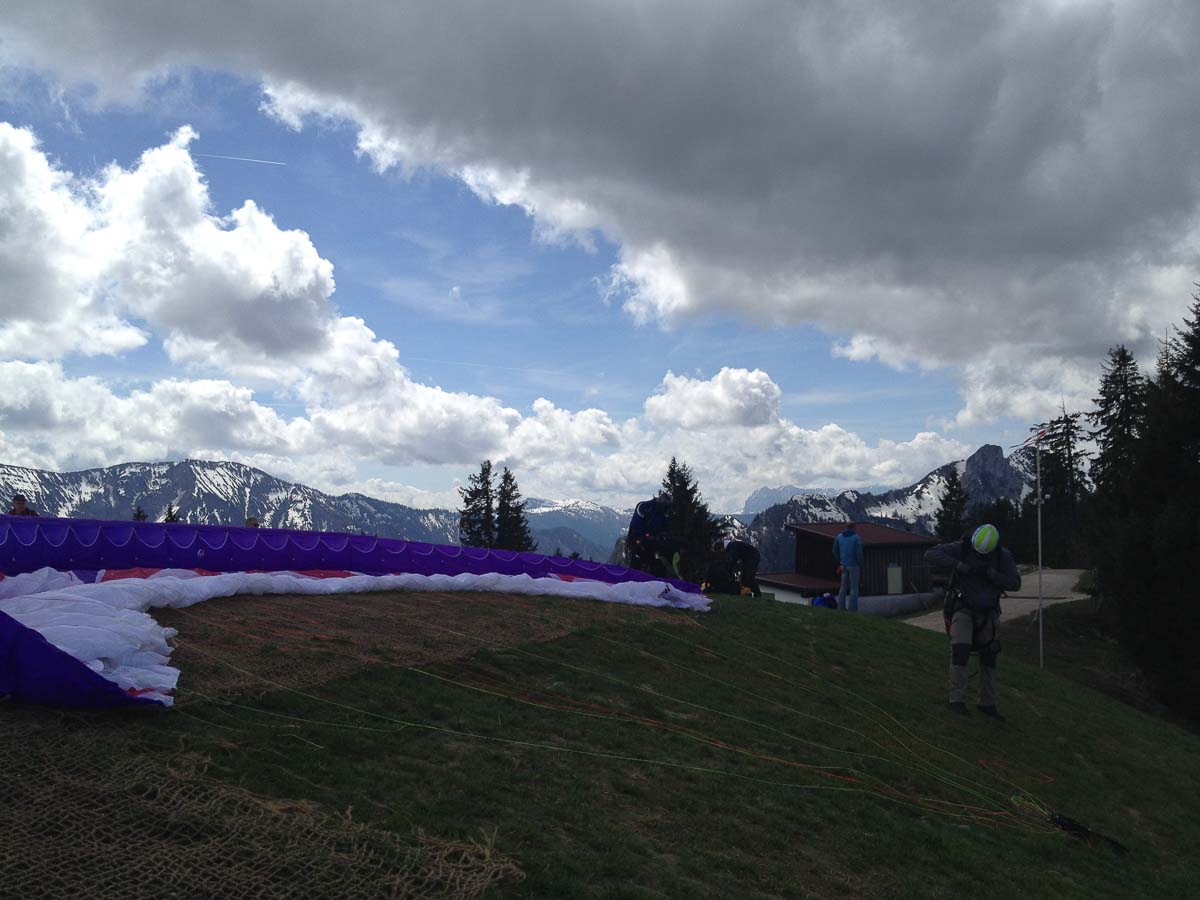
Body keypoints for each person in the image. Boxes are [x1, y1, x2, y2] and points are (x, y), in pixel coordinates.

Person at [925, 523, 1021, 719]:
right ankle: (956, 699)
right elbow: (931, 554)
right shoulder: (963, 547)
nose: (979, 555)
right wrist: (960, 566)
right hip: (963, 607)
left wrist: (992, 575)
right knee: (960, 650)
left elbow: (1015, 583)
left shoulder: (1003, 557)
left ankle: (987, 703)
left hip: (988, 613)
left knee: (989, 656)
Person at [626, 492, 682, 578]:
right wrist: (646, 535)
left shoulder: (664, 513)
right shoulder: (644, 507)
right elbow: (635, 526)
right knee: (637, 557)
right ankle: (631, 578)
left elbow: (665, 527)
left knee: (653, 561)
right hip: (638, 538)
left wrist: (663, 535)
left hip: (650, 540)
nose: (666, 509)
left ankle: (655, 579)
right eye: (666, 506)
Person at [832, 523, 863, 611]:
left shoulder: (839, 536)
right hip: (854, 565)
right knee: (854, 588)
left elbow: (834, 551)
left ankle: (840, 607)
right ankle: (852, 609)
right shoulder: (856, 538)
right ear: (854, 527)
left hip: (843, 565)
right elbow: (859, 553)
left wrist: (840, 560)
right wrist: (860, 563)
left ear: (846, 527)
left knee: (843, 587)